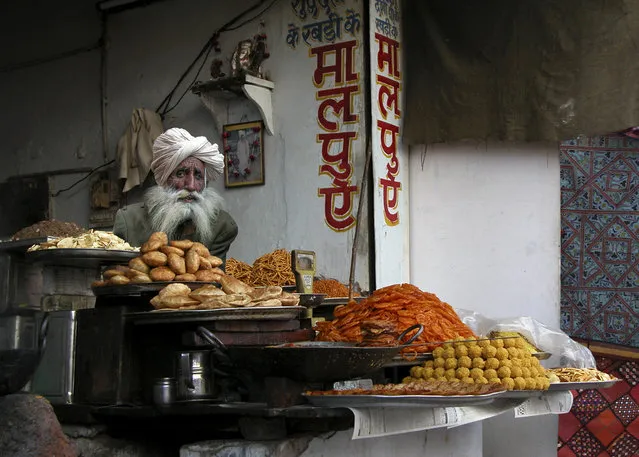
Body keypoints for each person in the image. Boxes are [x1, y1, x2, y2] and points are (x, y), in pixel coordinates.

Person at [113, 127, 238, 263]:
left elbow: (212, 279)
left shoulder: (222, 226)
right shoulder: (129, 222)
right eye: (180, 174)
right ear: (163, 179)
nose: (191, 185)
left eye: (198, 176)